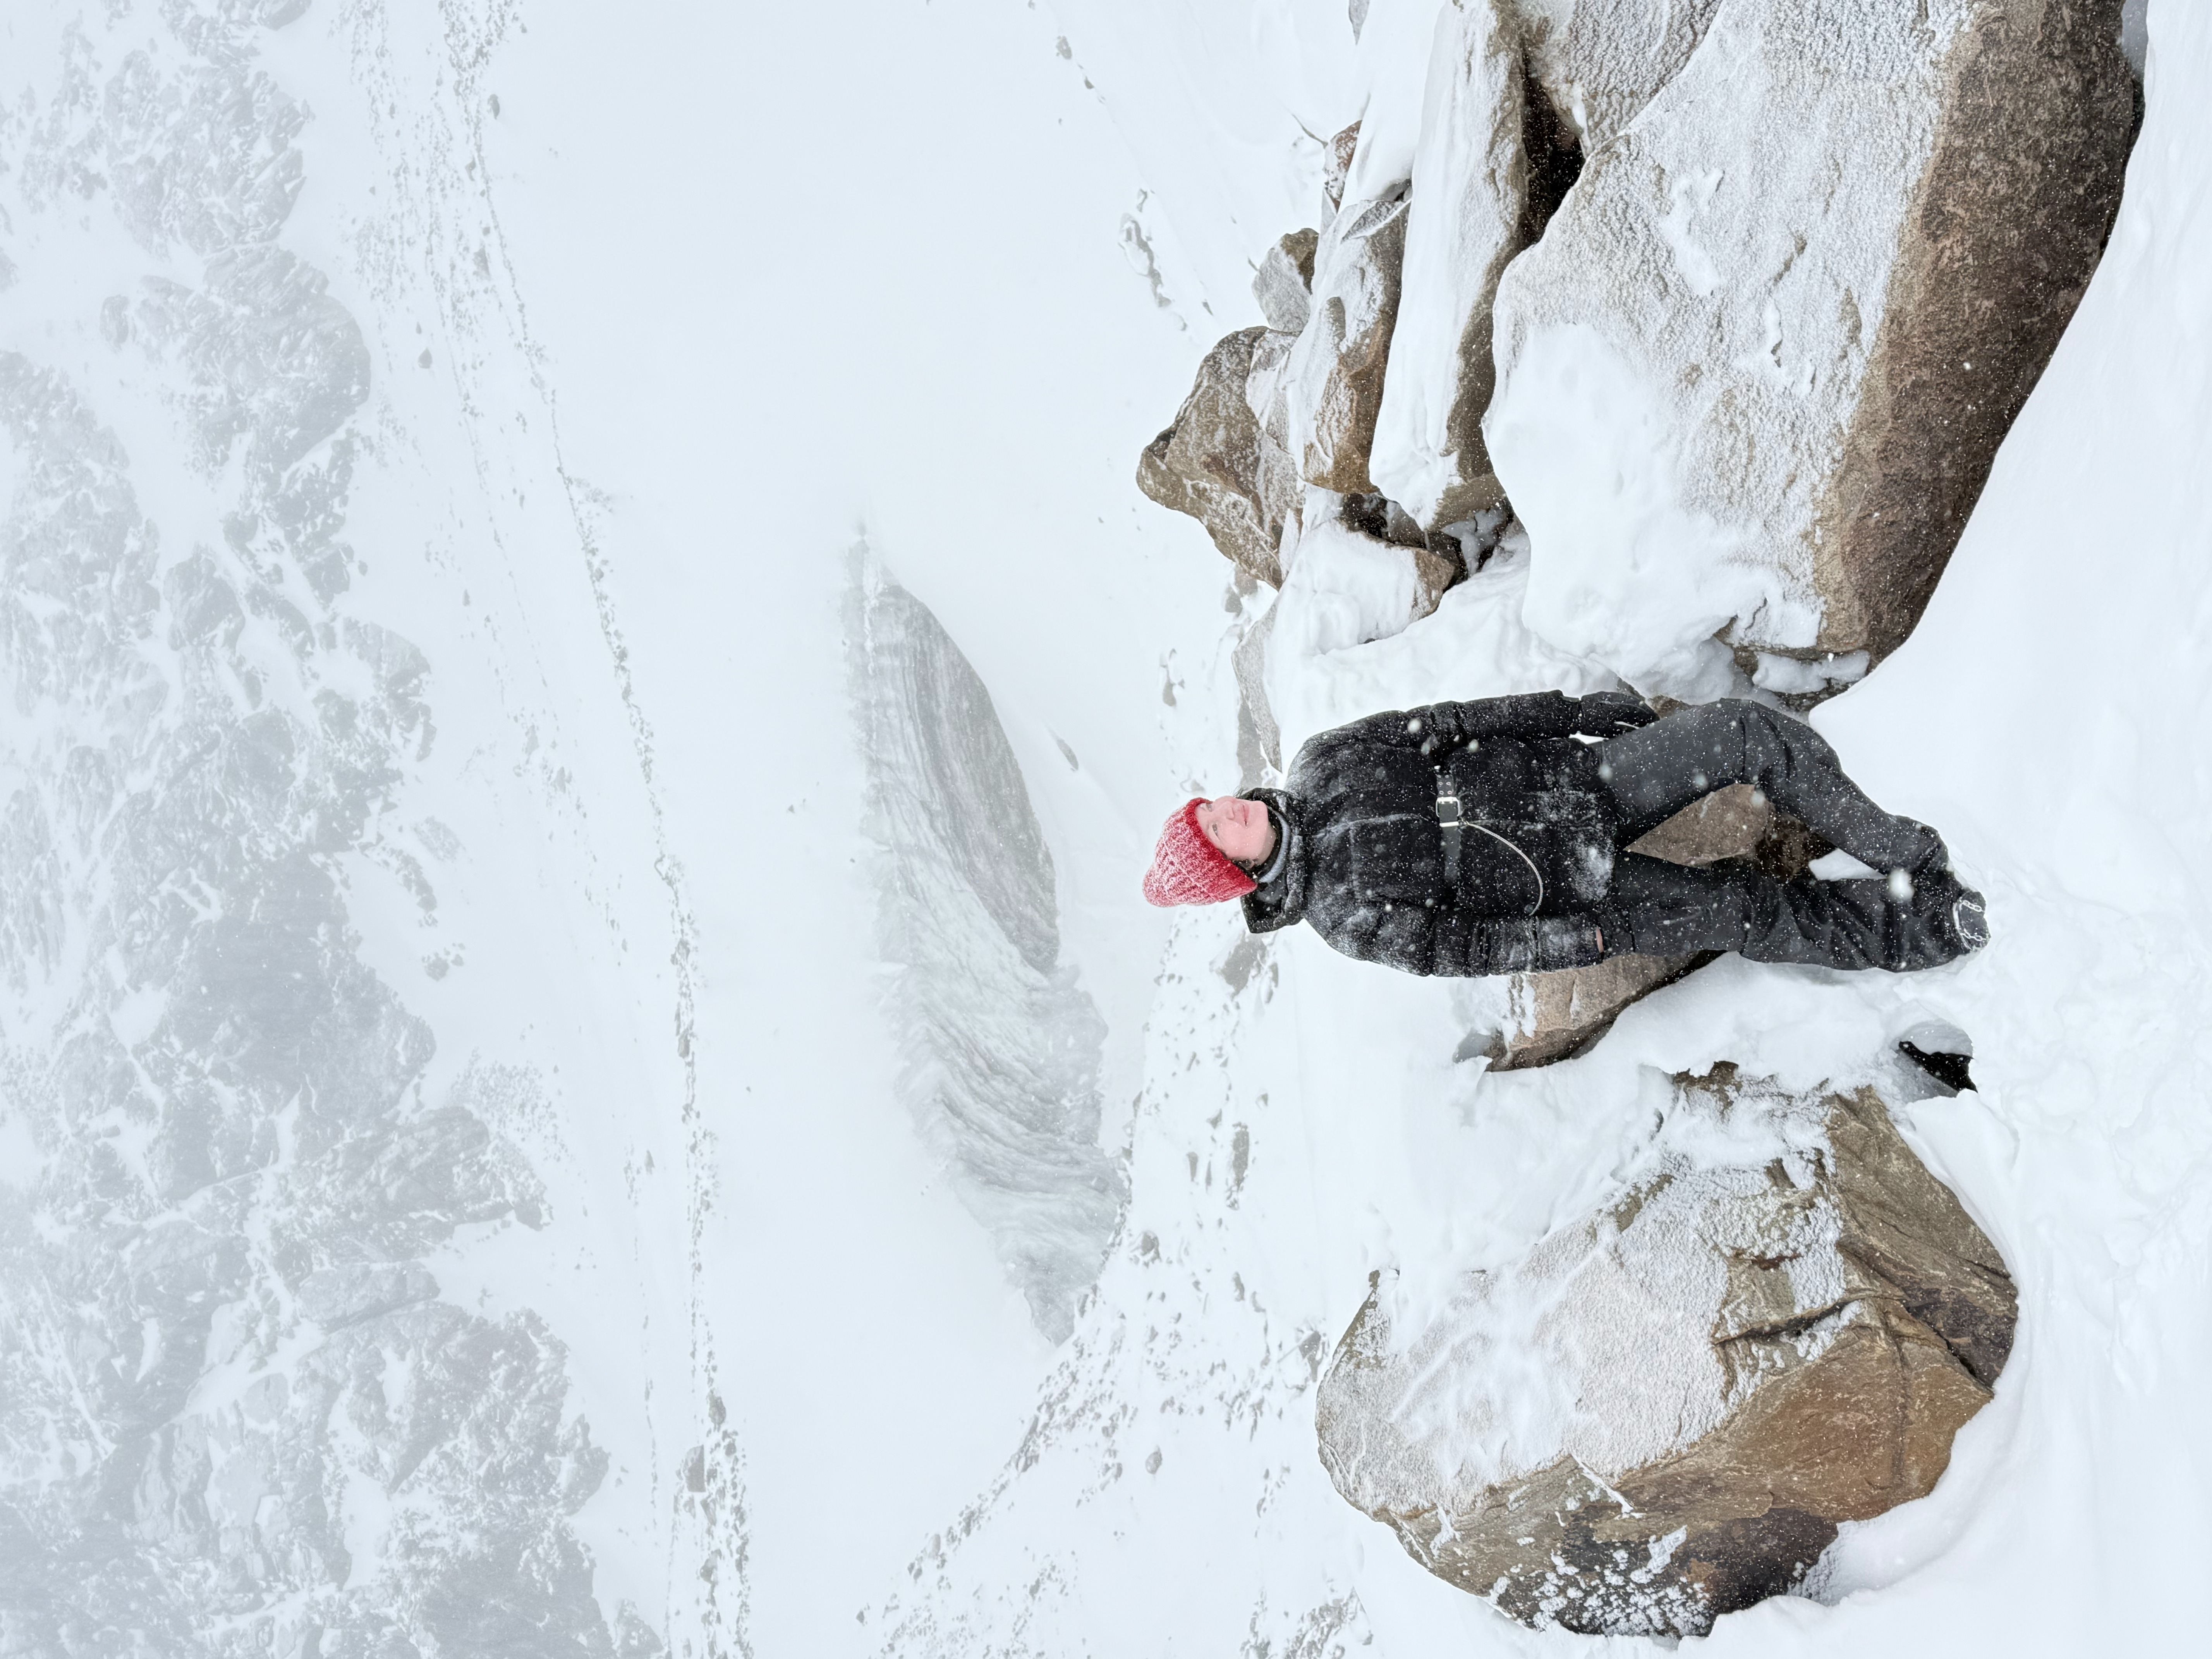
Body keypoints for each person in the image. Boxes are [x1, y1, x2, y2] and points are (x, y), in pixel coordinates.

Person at [1141, 690, 1987, 977]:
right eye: (1220, 835)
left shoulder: (1322, 761)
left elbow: (1454, 720)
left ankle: (1909, 857)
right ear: (1238, 875)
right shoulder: (1340, 918)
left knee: (1739, 735)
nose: (1232, 813)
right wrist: (1579, 940)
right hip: (1585, 895)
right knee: (1744, 912)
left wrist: (1575, 713)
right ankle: (1924, 928)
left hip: (1581, 786)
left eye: (1213, 809)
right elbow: (1464, 951)